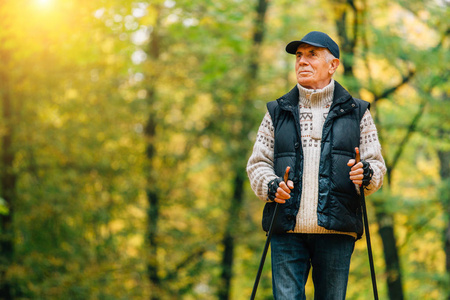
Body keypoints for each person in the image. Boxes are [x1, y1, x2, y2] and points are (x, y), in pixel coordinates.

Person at [246, 31, 386, 299]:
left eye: (312, 54)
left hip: (337, 229)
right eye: (299, 55)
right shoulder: (277, 111)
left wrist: (365, 173)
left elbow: (376, 165)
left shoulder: (358, 112)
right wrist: (271, 185)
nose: (302, 61)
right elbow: (257, 164)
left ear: (333, 65)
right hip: (286, 228)